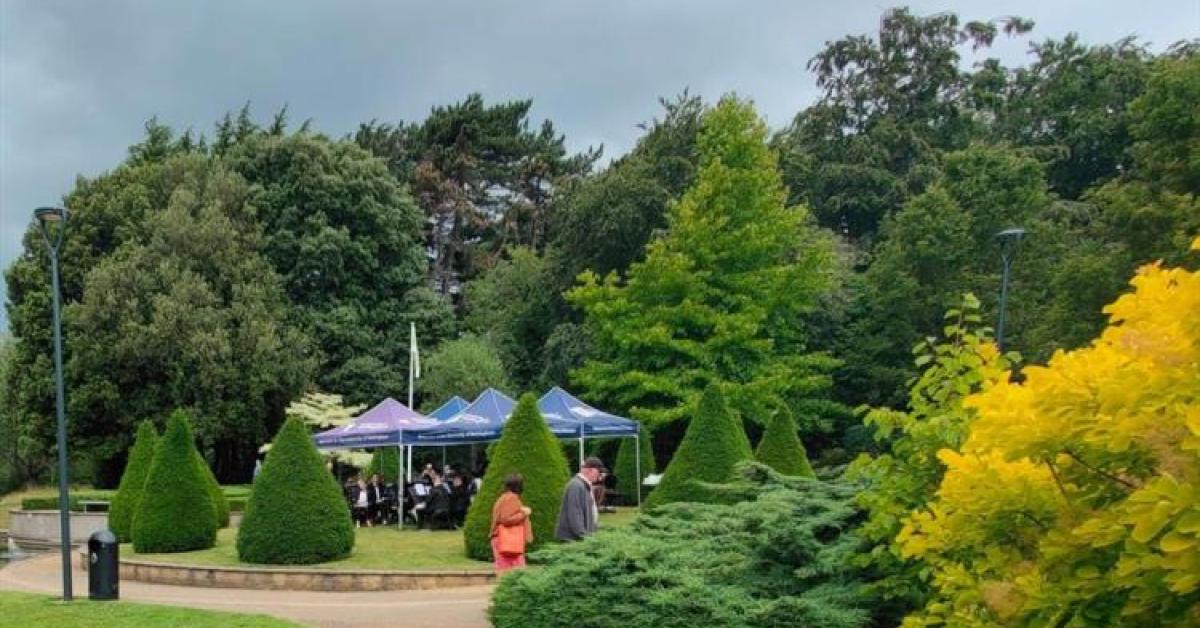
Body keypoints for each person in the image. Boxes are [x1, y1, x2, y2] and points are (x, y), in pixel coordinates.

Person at [490, 474, 532, 572]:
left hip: (502, 539)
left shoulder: (504, 497)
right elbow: (505, 519)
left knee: (503, 569)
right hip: (508, 541)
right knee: (515, 572)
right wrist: (524, 513)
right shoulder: (511, 498)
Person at [555, 457, 604, 541]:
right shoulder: (576, 485)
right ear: (590, 470)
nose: (599, 475)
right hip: (572, 540)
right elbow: (574, 514)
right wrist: (583, 536)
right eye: (599, 471)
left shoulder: (582, 485)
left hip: (578, 538)